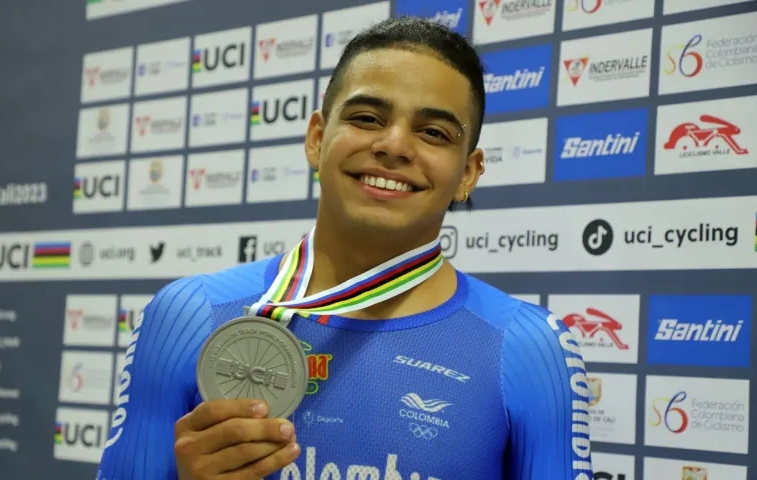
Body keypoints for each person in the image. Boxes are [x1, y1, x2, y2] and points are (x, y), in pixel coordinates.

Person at [96, 16, 594, 480]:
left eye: (433, 132)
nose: (395, 145)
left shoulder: (529, 348)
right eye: (367, 117)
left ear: (467, 173)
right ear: (317, 138)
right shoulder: (189, 315)